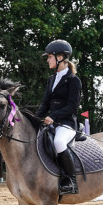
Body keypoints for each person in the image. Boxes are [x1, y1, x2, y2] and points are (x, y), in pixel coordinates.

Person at [35, 39, 82, 196]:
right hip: (52, 122)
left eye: (49, 57)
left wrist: (53, 116)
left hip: (66, 123)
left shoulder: (74, 81)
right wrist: (34, 118)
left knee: (58, 142)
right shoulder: (51, 79)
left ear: (60, 57)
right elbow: (45, 104)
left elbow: (72, 107)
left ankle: (70, 180)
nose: (47, 60)